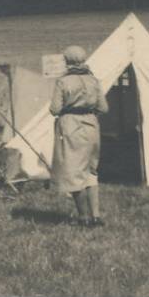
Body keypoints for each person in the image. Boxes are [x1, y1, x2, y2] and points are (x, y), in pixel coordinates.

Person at [50, 45, 109, 227]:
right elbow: (104, 108)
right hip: (91, 125)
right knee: (91, 171)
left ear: (67, 61)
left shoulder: (63, 82)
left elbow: (55, 109)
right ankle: (96, 215)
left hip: (71, 126)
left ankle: (83, 217)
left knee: (73, 171)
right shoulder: (94, 80)